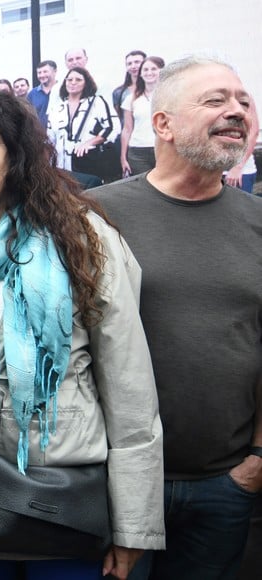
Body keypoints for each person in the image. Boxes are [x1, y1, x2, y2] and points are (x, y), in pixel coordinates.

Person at [0, 88, 165, 580]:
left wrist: (133, 525)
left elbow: (130, 385)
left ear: (15, 150)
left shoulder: (82, 237)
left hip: (67, 493)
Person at [95, 55, 262, 580]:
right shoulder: (92, 215)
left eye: (243, 100)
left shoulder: (259, 222)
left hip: (226, 486)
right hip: (114, 485)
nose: (236, 110)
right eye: (215, 100)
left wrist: (256, 461)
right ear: (161, 124)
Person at [49, 67, 119, 182]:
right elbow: (50, 137)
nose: (73, 82)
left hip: (86, 162)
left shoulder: (97, 102)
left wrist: (89, 142)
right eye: (69, 79)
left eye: (78, 80)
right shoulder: (58, 108)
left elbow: (109, 127)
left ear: (86, 83)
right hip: (62, 164)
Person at [120, 56, 165, 177]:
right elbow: (127, 129)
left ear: (161, 71)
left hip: (163, 149)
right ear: (140, 73)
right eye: (145, 70)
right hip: (137, 152)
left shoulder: (170, 97)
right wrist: (123, 157)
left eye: (153, 69)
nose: (149, 73)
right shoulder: (131, 98)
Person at [225, 94, 258, 194]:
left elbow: (253, 132)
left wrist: (237, 167)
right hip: (212, 172)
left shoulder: (244, 96)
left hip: (238, 173)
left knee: (238, 208)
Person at [112, 50, 147, 130]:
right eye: (129, 64)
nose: (133, 66)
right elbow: (121, 118)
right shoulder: (118, 93)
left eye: (137, 62)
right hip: (130, 137)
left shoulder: (155, 89)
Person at [27, 60, 58, 128]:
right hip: (40, 135)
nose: (42, 75)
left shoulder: (63, 91)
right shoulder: (32, 94)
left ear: (55, 71)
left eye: (45, 72)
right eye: (39, 73)